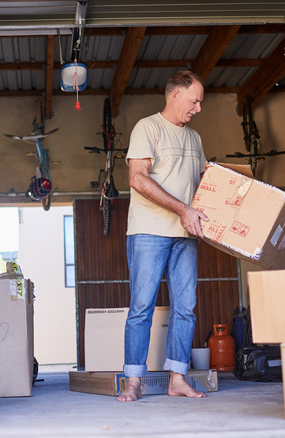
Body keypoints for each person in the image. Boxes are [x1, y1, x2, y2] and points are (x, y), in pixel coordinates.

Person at [117, 70, 208, 402]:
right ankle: (133, 382)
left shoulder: (195, 139)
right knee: (142, 306)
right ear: (176, 96)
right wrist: (182, 209)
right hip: (148, 231)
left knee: (186, 308)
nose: (198, 108)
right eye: (194, 101)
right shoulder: (148, 128)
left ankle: (178, 379)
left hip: (186, 234)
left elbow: (202, 188)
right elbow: (137, 178)